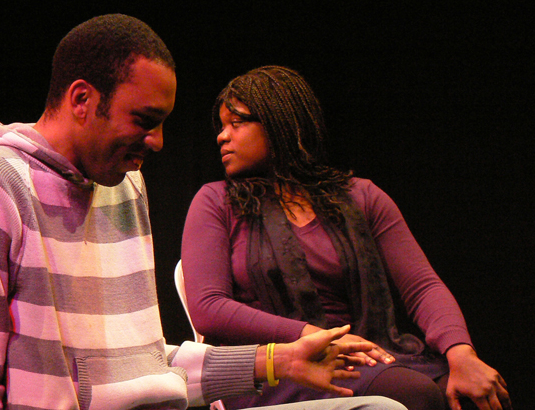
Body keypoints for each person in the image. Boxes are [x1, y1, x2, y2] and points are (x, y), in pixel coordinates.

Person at [0, 15, 407, 410]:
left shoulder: (125, 186)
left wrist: (280, 361)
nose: (158, 142)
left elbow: (144, 363)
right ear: (82, 99)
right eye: (145, 120)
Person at [181, 65, 513, 410]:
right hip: (276, 372)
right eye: (222, 126)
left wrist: (461, 353)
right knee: (416, 394)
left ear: (282, 125)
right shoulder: (216, 201)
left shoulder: (360, 197)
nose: (222, 136)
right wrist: (312, 337)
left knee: (475, 392)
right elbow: (209, 309)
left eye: (238, 122)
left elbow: (422, 286)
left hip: (371, 355)